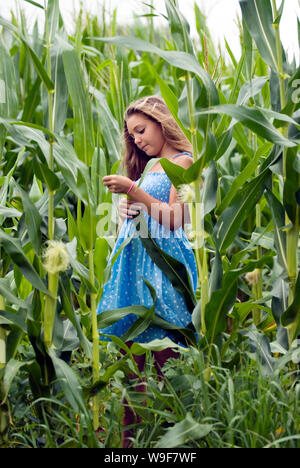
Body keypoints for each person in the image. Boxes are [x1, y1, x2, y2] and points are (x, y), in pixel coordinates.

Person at [97, 95, 198, 447]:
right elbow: (145, 208)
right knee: (133, 361)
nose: (137, 140)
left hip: (162, 270)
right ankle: (129, 443)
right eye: (132, 135)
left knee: (164, 355)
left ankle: (172, 441)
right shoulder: (152, 165)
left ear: (160, 122)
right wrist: (127, 207)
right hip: (135, 267)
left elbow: (177, 218)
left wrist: (132, 190)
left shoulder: (183, 162)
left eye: (141, 130)